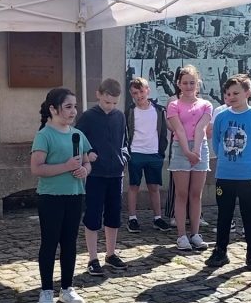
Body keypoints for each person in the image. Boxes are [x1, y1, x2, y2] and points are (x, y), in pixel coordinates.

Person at [30, 88, 91, 303]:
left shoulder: (78, 134)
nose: (73, 111)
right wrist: (65, 167)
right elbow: (36, 168)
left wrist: (85, 170)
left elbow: (87, 162)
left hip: (75, 196)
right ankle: (46, 290)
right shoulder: (44, 135)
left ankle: (67, 288)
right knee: (50, 242)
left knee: (70, 243)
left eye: (75, 106)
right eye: (68, 106)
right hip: (51, 197)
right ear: (53, 109)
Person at [206, 74, 251, 270]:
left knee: (248, 215)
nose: (231, 97)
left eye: (236, 93)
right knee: (224, 215)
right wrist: (226, 160)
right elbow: (216, 141)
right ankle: (220, 251)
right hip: (225, 175)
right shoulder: (223, 117)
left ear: (247, 93)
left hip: (248, 175)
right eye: (228, 93)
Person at [75, 79, 128, 275]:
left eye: (114, 103)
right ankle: (92, 257)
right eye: (107, 102)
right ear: (99, 94)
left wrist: (124, 157)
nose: (110, 106)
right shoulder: (88, 117)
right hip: (95, 174)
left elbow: (125, 141)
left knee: (114, 214)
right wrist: (87, 156)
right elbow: (77, 141)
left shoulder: (120, 117)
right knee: (93, 215)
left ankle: (111, 253)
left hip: (116, 173)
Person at [167, 65, 212, 251]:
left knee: (196, 194)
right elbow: (178, 129)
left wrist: (197, 151)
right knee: (181, 193)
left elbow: (202, 128)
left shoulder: (206, 105)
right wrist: (187, 152)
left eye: (192, 82)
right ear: (179, 84)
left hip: (200, 148)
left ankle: (195, 233)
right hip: (180, 148)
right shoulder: (174, 105)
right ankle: (181, 235)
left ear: (198, 84)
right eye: (184, 83)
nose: (188, 86)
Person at [124, 77, 169, 233]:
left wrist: (161, 152)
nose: (139, 96)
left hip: (154, 153)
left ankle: (157, 218)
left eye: (141, 91)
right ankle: (132, 218)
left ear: (148, 91)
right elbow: (126, 132)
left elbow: (163, 132)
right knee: (133, 186)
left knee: (154, 187)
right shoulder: (130, 111)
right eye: (135, 93)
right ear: (131, 94)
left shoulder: (158, 110)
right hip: (135, 153)